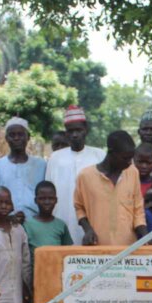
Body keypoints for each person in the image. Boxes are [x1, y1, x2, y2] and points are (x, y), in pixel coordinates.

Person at [75, 131, 148, 246]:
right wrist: (88, 230)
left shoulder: (133, 172)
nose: (129, 162)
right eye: (125, 158)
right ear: (111, 153)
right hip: (97, 250)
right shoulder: (85, 176)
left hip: (128, 250)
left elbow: (138, 210)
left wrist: (145, 237)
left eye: (131, 158)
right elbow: (79, 207)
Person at [46, 105, 105, 244]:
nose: (75, 134)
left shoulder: (99, 155)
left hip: (92, 222)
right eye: (70, 131)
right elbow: (49, 191)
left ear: (86, 130)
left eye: (78, 130)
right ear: (66, 133)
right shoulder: (55, 158)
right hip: (62, 218)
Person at [0, 117, 46, 222]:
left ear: (28, 137)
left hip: (35, 222)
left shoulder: (41, 165)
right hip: (6, 222)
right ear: (6, 138)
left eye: (20, 134)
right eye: (12, 135)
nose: (16, 138)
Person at [23, 181, 73, 263]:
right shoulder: (27, 225)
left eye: (51, 198)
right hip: (35, 273)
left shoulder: (61, 225)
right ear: (36, 200)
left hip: (57, 272)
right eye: (42, 198)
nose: (47, 202)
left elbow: (68, 252)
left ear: (56, 200)